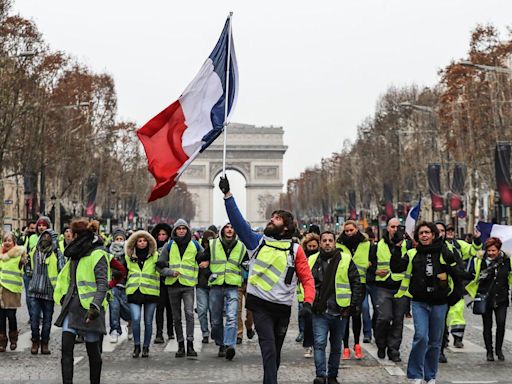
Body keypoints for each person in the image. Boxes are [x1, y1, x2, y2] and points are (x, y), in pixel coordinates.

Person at [219, 175, 315, 384]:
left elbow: (307, 279)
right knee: (269, 348)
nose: (271, 220)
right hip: (259, 305)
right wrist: (228, 195)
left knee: (275, 354)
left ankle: (269, 378)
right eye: (272, 217)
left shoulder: (296, 250)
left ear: (287, 227)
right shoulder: (256, 242)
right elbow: (239, 223)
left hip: (281, 308)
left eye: (277, 219)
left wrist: (308, 302)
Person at [390, 221, 460, 384]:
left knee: (435, 342)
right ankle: (415, 375)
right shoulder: (413, 253)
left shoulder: (443, 251)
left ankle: (430, 376)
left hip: (439, 302)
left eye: (427, 232)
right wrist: (397, 247)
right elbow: (396, 267)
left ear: (433, 235)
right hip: (419, 302)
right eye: (421, 233)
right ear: (417, 236)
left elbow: (457, 271)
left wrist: (454, 295)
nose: (424, 235)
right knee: (421, 337)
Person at [54, 219, 109, 384]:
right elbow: (69, 280)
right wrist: (64, 297)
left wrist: (94, 307)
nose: (69, 238)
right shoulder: (74, 255)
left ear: (79, 236)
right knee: (66, 349)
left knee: (93, 352)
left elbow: (102, 284)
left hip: (91, 310)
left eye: (72, 235)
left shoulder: (98, 254)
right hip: (71, 308)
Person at [311, 231, 363, 384]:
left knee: (336, 346)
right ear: (320, 243)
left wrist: (353, 305)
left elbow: (356, 282)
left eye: (330, 240)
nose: (327, 243)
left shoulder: (346, 259)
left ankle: (332, 376)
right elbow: (304, 282)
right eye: (324, 240)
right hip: (319, 311)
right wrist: (307, 303)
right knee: (319, 343)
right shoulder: (312, 260)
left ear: (335, 243)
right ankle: (320, 375)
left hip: (341, 310)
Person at [156, 219, 203, 358]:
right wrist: (170, 272)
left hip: (188, 285)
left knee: (189, 313)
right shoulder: (168, 246)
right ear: (175, 231)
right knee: (176, 317)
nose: (181, 230)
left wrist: (205, 262)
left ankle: (190, 343)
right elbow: (159, 266)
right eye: (179, 228)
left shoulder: (195, 244)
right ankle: (181, 345)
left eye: (184, 228)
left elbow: (204, 257)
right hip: (173, 286)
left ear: (187, 230)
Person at [201, 222, 247, 360]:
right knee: (215, 321)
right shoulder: (213, 244)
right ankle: (221, 343)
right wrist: (208, 271)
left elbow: (247, 263)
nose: (229, 229)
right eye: (227, 227)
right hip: (216, 286)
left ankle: (229, 346)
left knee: (232, 317)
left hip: (233, 286)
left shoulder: (241, 246)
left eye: (232, 227)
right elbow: (201, 259)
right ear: (222, 230)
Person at [369, 217, 409, 362]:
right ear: (387, 228)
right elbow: (369, 266)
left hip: (401, 288)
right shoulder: (377, 246)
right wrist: (375, 272)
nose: (395, 230)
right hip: (383, 287)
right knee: (384, 318)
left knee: (398, 321)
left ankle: (394, 350)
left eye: (398, 227)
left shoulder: (407, 245)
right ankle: (381, 344)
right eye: (392, 227)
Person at [466, 237, 511, 362]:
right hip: (485, 298)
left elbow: (509, 277)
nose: (491, 253)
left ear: (499, 250)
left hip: (501, 298)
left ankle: (499, 350)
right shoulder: (480, 261)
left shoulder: (507, 261)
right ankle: (489, 352)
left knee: (501, 324)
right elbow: (471, 275)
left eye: (493, 250)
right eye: (489, 250)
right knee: (487, 326)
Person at [26, 227, 65, 355]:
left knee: (47, 321)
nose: (45, 239)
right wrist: (30, 274)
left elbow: (62, 270)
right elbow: (27, 264)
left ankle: (45, 343)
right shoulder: (34, 252)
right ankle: (35, 342)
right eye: (44, 236)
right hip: (34, 291)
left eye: (48, 237)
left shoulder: (57, 254)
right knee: (34, 319)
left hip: (49, 292)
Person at [336, 220, 370, 360]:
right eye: (346, 230)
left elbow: (372, 259)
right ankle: (345, 347)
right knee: (344, 315)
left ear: (357, 229)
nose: (349, 233)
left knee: (356, 314)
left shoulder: (366, 244)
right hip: (343, 283)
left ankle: (357, 344)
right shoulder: (339, 245)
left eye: (351, 230)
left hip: (360, 284)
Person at [444, 224, 482, 349]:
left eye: (451, 230)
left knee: (458, 311)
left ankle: (457, 338)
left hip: (456, 282)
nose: (449, 233)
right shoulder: (437, 246)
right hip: (441, 284)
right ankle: (442, 338)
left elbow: (473, 250)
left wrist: (476, 240)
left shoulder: (459, 244)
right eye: (447, 230)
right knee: (442, 314)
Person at [125, 230, 160, 358]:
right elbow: (123, 271)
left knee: (148, 322)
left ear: (149, 242)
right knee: (135, 319)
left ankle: (146, 347)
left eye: (144, 240)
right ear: (135, 243)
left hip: (151, 292)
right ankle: (136, 345)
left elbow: (162, 269)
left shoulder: (156, 256)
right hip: (134, 292)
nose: (142, 243)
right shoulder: (128, 257)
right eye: (139, 241)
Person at [0, 232, 27, 352]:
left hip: (12, 290)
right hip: (0, 290)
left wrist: (24, 259)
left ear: (14, 242)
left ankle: (13, 338)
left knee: (11, 316)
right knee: (0, 317)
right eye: (5, 240)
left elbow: (24, 265)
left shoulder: (19, 254)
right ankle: (2, 341)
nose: (7, 242)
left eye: (9, 240)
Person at [150, 223, 174, 344]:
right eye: (159, 234)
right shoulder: (152, 248)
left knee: (171, 308)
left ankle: (171, 331)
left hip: (170, 280)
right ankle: (159, 333)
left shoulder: (172, 247)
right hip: (157, 281)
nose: (161, 236)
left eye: (164, 234)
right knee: (159, 308)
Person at [297, 232, 320, 357]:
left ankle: (316, 344)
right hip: (305, 295)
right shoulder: (302, 258)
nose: (312, 249)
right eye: (310, 246)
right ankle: (308, 345)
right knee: (308, 322)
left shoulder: (320, 258)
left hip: (319, 294)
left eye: (314, 246)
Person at [108, 229, 131, 343]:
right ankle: (115, 330)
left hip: (126, 285)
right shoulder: (109, 252)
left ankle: (130, 323)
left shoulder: (129, 252)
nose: (119, 241)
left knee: (126, 308)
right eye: (117, 239)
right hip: (113, 285)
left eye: (121, 239)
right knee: (114, 307)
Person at [197, 229, 216, 344]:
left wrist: (209, 261)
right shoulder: (198, 252)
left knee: (214, 311)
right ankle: (205, 332)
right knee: (202, 310)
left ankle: (214, 330)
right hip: (201, 285)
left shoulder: (219, 252)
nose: (208, 245)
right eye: (206, 242)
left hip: (214, 285)